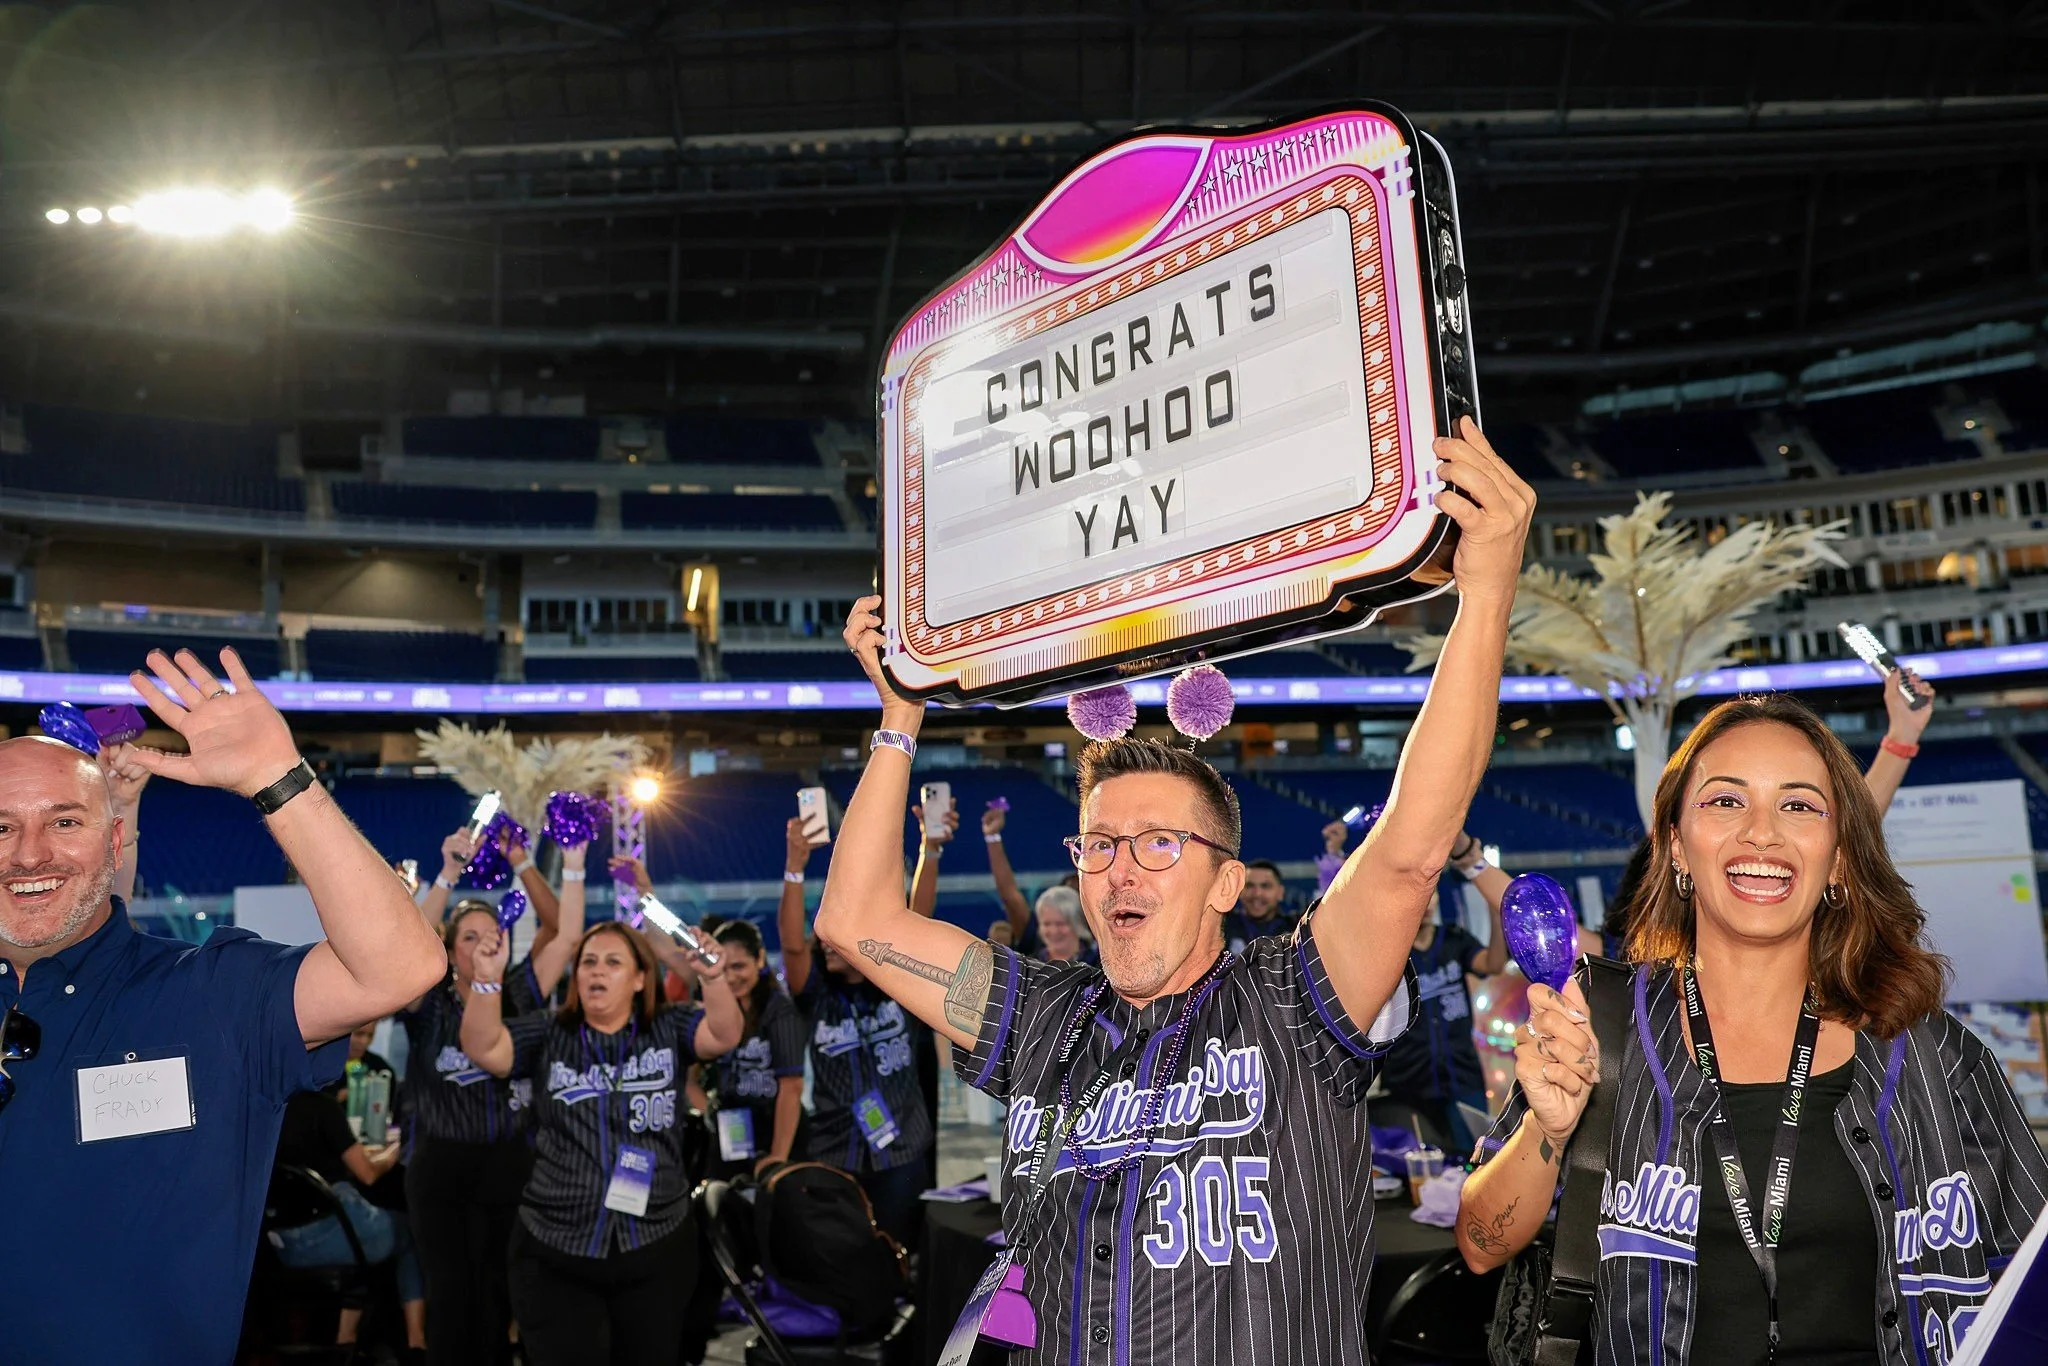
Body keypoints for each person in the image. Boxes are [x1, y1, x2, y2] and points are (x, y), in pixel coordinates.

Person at [818, 417, 1535, 1362]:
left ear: (1226, 882)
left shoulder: (1295, 998)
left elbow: (1409, 850)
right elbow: (855, 920)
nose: (1120, 865)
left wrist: (1484, 595)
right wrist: (901, 713)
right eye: (1101, 843)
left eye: (1160, 844)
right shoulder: (1037, 1014)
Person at [1457, 692, 2048, 1366]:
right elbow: (1481, 1244)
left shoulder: (1933, 1054)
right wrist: (1548, 1132)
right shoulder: (1603, 1022)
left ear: (1841, 858)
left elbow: (2032, 1274)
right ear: (1676, 844)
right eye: (1726, 801)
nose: (1762, 833)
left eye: (1798, 805)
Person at [0, 646, 445, 1366]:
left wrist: (278, 779)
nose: (27, 854)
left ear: (116, 839)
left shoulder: (212, 995)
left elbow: (402, 967)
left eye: (64, 822)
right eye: (1, 827)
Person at [461, 915, 742, 1366]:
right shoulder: (550, 1031)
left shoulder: (668, 1027)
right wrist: (487, 982)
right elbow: (484, 1049)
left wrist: (712, 977)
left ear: (638, 978)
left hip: (654, 1245)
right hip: (557, 1249)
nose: (596, 970)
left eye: (613, 962)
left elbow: (723, 1035)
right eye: (588, 961)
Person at [403, 825, 587, 1366]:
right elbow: (407, 939)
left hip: (511, 1166)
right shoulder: (427, 1000)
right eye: (468, 936)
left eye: (493, 932)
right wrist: (448, 873)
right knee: (455, 1298)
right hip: (441, 1173)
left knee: (512, 1290)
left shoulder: (522, 990)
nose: (484, 941)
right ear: (449, 951)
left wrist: (568, 861)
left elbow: (569, 933)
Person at [779, 807, 940, 1248]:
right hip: (836, 1153)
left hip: (903, 1152)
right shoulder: (816, 997)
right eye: (824, 936)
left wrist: (931, 848)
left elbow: (918, 922)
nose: (828, 941)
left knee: (903, 1256)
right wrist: (795, 869)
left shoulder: (896, 984)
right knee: (847, 1260)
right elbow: (792, 946)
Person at [271, 1021, 427, 1363]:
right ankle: (416, 1345)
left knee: (360, 1235)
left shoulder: (273, 1107)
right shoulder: (323, 1108)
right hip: (324, 1231)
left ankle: (348, 1341)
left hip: (275, 1242)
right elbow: (368, 1174)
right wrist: (396, 1153)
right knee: (409, 1232)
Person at [1367, 832, 1508, 1155]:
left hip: (1462, 1076)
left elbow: (1494, 964)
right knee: (1419, 1166)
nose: (1426, 904)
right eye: (1418, 897)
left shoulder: (1455, 940)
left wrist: (1496, 911)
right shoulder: (1391, 952)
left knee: (1471, 1160)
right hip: (1407, 1081)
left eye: (1431, 896)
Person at [699, 898, 805, 1177]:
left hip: (773, 1133)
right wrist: (709, 1111)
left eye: (739, 966)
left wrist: (778, 1156)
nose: (731, 977)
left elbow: (792, 1086)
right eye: (723, 968)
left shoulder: (779, 1011)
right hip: (727, 1134)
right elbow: (689, 1075)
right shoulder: (713, 1006)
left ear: (759, 959)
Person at [1220, 858, 1296, 952]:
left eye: (1265, 886)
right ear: (1239, 890)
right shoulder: (1221, 928)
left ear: (1280, 892)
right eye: (1249, 886)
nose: (1257, 893)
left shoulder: (1296, 930)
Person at [1031, 884, 1096, 965]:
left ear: (1077, 924)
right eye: (1046, 924)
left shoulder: (1098, 964)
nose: (1054, 931)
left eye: (1060, 924)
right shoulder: (1030, 967)